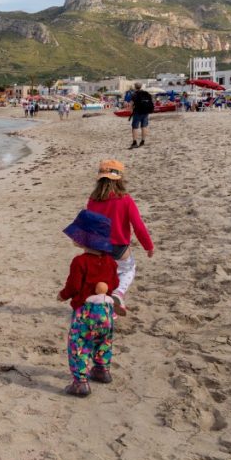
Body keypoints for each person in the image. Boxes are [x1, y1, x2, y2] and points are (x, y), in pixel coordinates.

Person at [57, 209, 120, 397]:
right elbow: (115, 283)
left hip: (86, 311)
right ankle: (102, 370)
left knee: (80, 344)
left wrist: (63, 295)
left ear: (85, 239)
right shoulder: (110, 262)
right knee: (104, 340)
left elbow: (74, 286)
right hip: (106, 309)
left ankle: (80, 382)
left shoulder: (80, 262)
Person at [86, 160, 153, 315]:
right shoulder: (125, 199)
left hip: (98, 247)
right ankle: (119, 293)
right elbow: (138, 226)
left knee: (104, 278)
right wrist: (148, 246)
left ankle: (110, 308)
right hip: (119, 247)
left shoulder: (93, 200)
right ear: (120, 179)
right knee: (128, 270)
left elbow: (89, 223)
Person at [129, 82, 154, 149]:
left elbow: (131, 104)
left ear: (135, 87)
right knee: (144, 126)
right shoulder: (146, 93)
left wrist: (131, 110)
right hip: (145, 112)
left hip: (137, 112)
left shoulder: (134, 94)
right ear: (141, 86)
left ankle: (135, 142)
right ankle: (143, 141)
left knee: (135, 127)